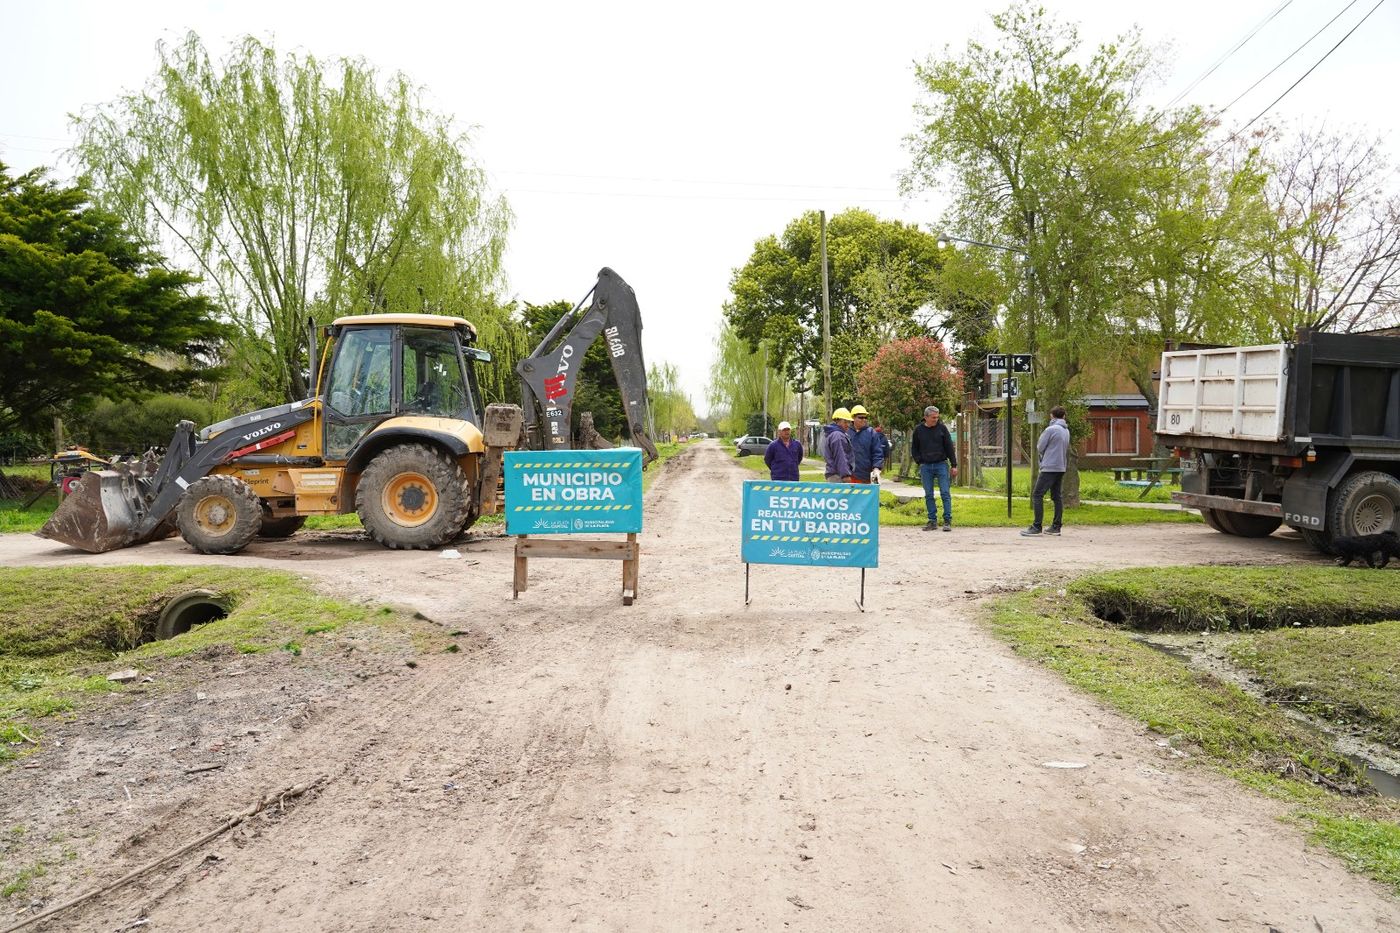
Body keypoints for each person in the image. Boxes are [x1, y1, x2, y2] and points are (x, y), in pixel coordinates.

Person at [1022, 405, 1071, 536]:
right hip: (1061, 466)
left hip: (1049, 466)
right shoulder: (1066, 430)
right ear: (1064, 416)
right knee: (1057, 496)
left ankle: (1036, 526)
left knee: (1037, 494)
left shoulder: (1051, 429)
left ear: (1052, 416)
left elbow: (1040, 446)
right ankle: (1056, 526)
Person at [911, 404, 957, 531]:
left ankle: (947, 520)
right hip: (926, 466)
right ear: (925, 417)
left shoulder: (942, 429)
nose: (935, 419)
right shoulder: (918, 430)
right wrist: (919, 461)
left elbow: (949, 447)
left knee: (945, 492)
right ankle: (932, 520)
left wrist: (954, 465)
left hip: (941, 464)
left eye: (937, 417)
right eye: (933, 417)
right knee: (929, 494)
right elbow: (914, 448)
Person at [847, 405, 885, 484]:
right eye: (860, 417)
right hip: (848, 476)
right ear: (853, 418)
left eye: (865, 418)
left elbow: (877, 452)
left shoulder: (871, 433)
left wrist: (876, 468)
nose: (864, 420)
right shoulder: (846, 432)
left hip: (865, 476)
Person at [823, 408, 855, 483]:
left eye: (849, 422)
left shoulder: (834, 434)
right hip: (838, 476)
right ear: (837, 421)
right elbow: (840, 456)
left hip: (835, 475)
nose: (848, 425)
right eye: (845, 422)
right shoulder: (838, 435)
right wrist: (845, 475)